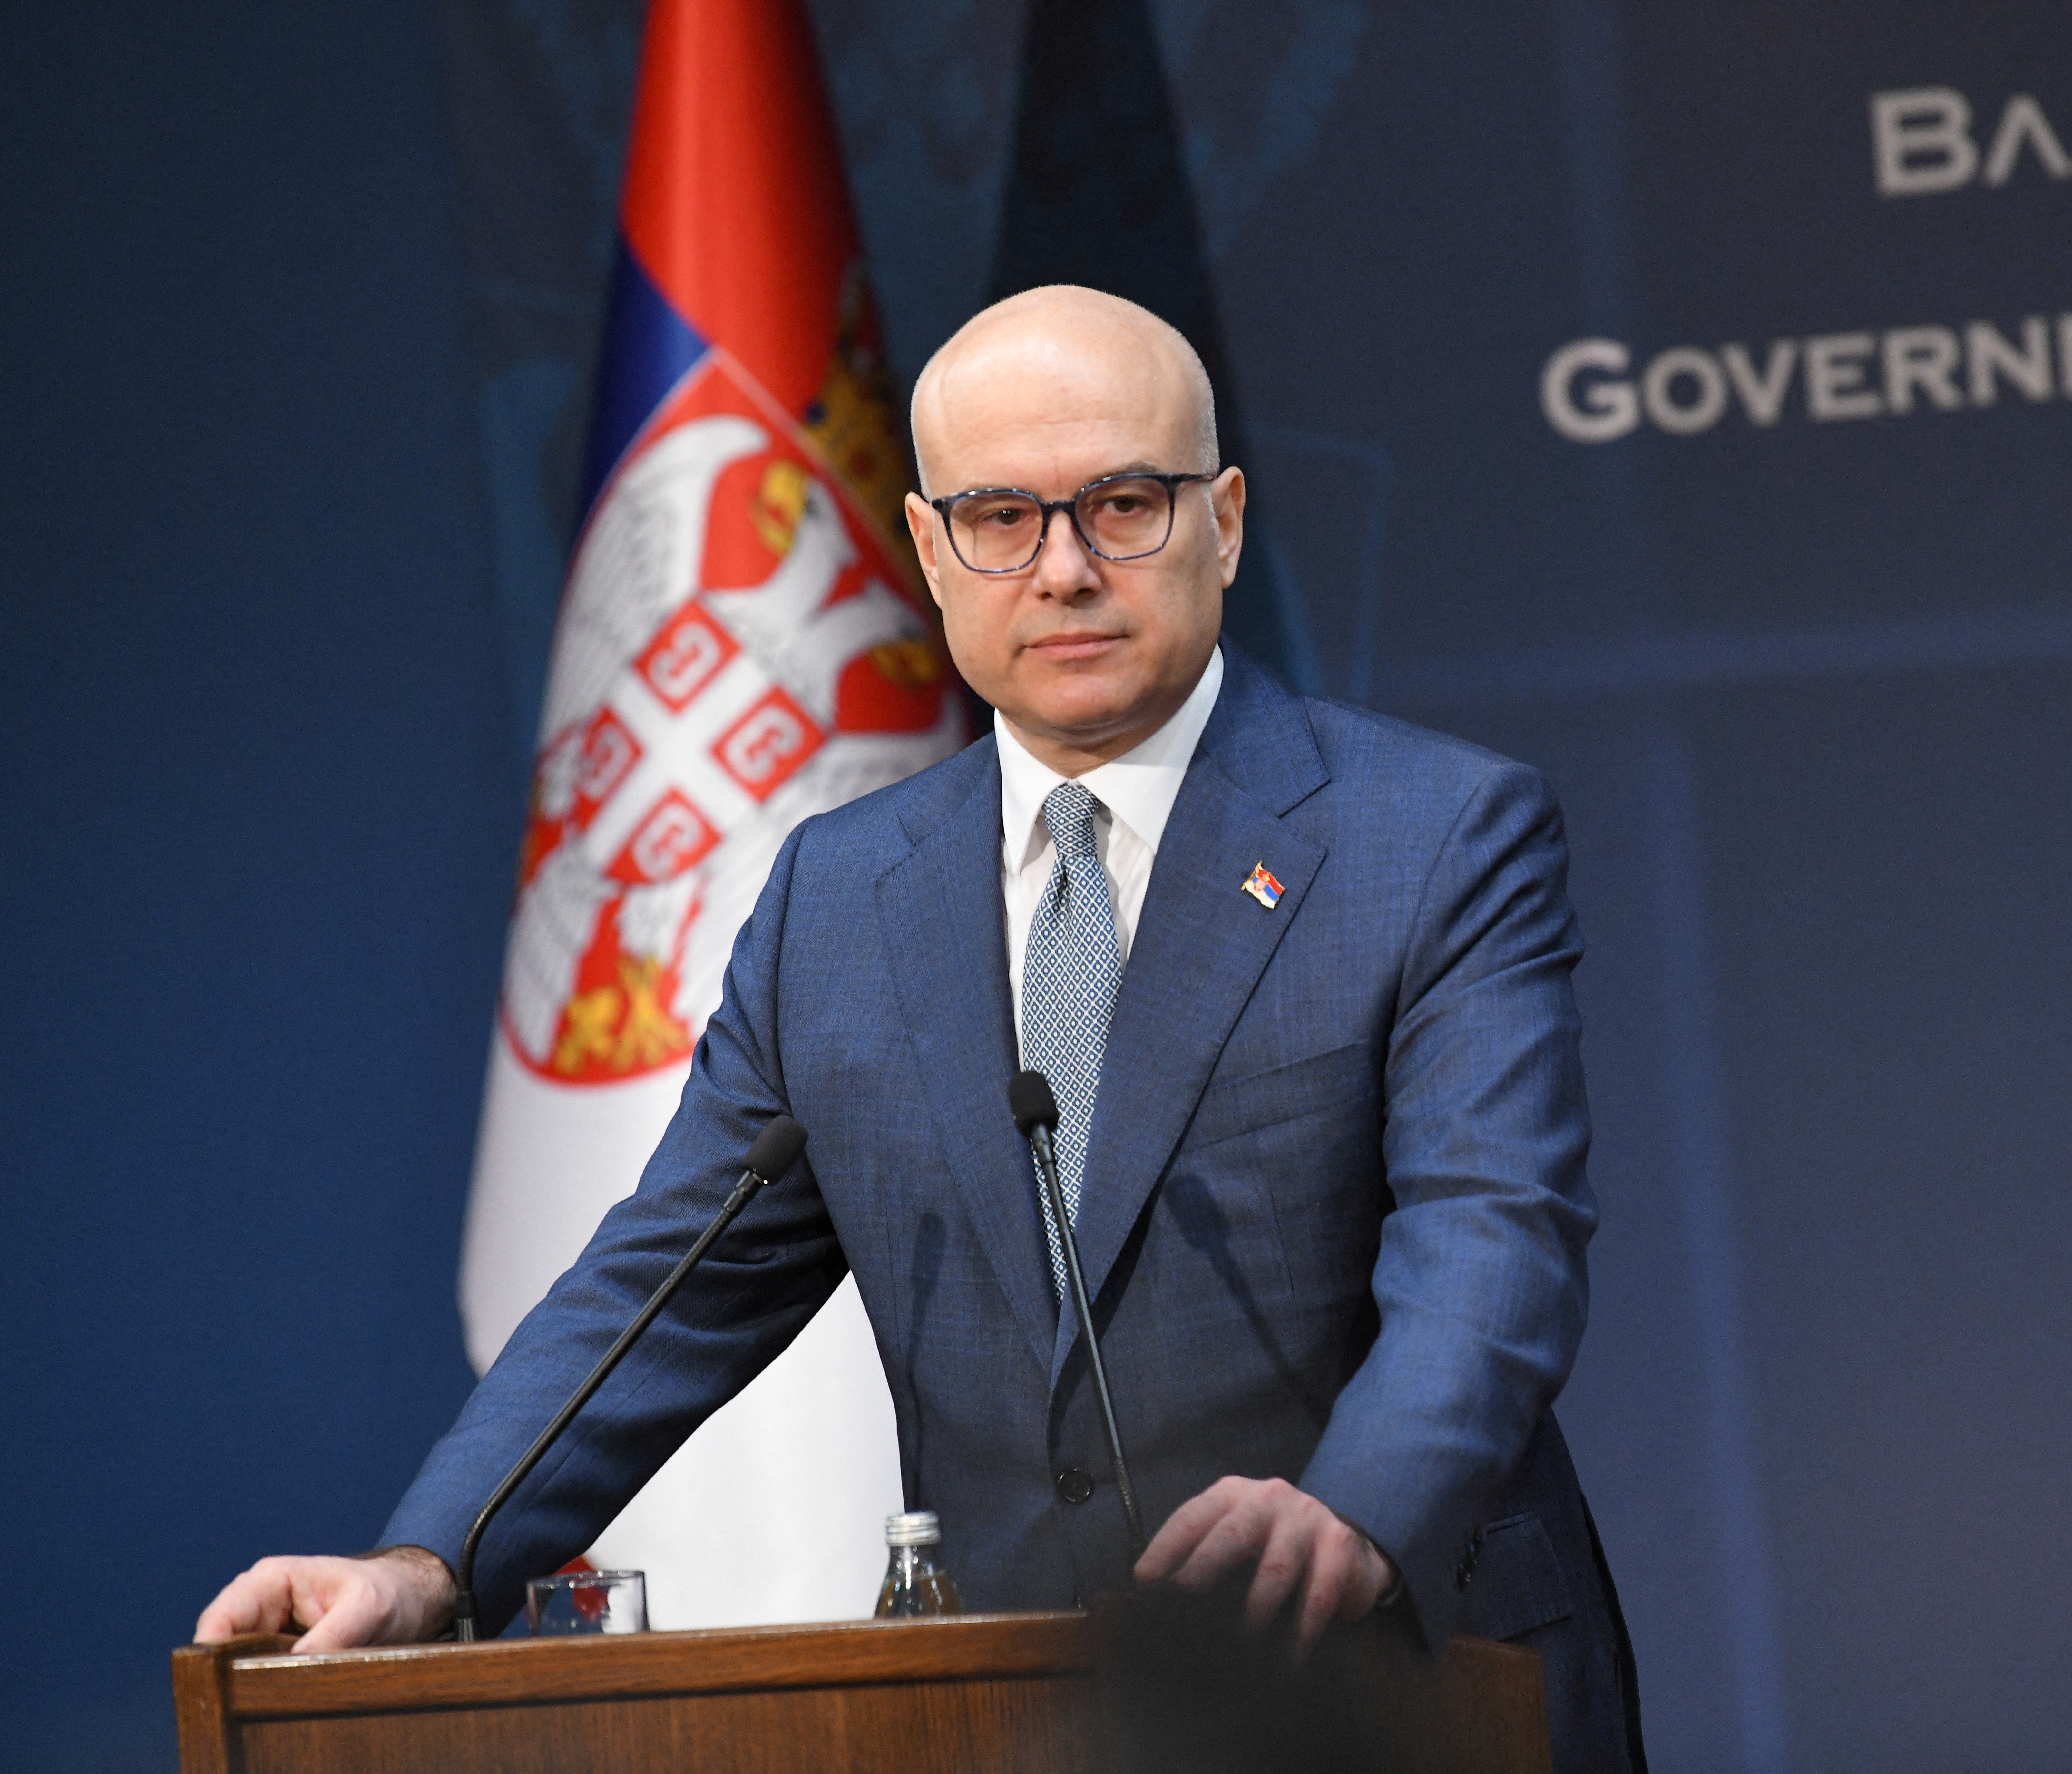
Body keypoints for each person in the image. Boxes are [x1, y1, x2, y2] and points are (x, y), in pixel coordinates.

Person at [196, 285, 1641, 1771]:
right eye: (1002, 518)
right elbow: (669, 1279)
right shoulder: (841, 895)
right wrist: (432, 1560)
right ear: (932, 547)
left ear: (1224, 516)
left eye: (1123, 505)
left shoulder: (1436, 832)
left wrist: (1355, 1509)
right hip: (1028, 1715)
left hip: (1402, 1680)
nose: (1065, 570)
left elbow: (1496, 1239)